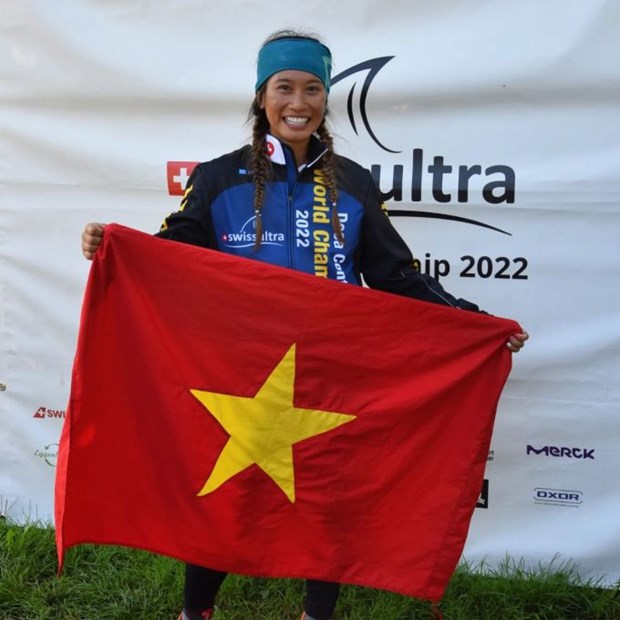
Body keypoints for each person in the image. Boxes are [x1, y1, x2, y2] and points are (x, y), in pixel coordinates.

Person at [81, 28, 528, 620]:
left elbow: (396, 275)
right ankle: (195, 612)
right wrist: (111, 244)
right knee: (223, 492)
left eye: (312, 88)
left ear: (325, 98)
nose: (299, 101)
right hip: (237, 370)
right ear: (261, 98)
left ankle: (317, 613)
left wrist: (475, 323)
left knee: (327, 494)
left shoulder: (355, 183)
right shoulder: (217, 178)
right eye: (284, 87)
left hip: (330, 370)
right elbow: (169, 255)